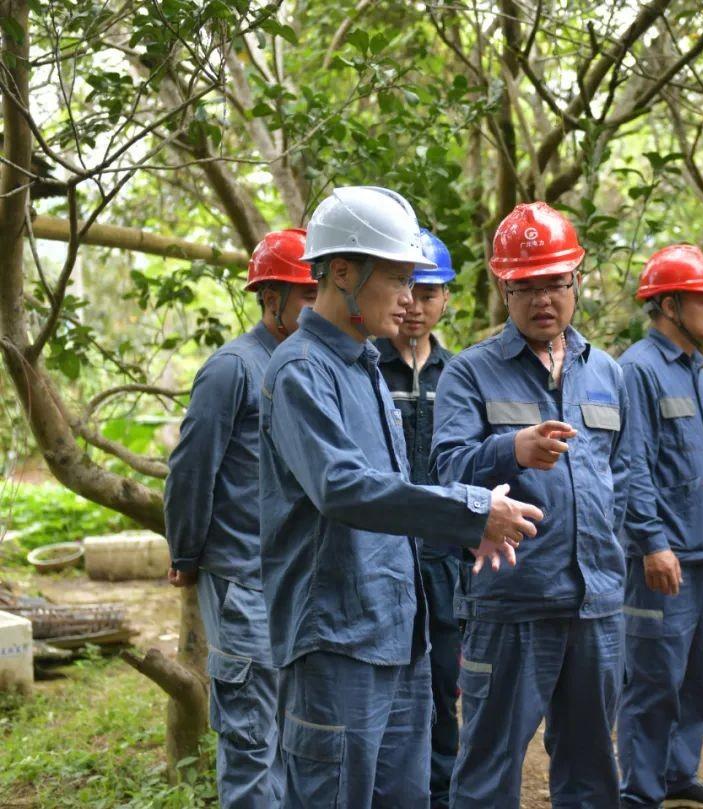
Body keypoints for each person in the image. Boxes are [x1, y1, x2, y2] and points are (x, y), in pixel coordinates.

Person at [258, 186, 543, 809]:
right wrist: (469, 512)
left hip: (398, 635)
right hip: (335, 642)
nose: (411, 298)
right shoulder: (300, 371)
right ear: (341, 271)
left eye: (417, 282)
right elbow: (343, 488)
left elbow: (395, 496)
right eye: (397, 278)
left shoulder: (363, 366)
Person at [431, 201, 630, 809]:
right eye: (526, 287)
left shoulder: (609, 375)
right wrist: (511, 449)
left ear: (576, 279)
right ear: (503, 286)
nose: (543, 299)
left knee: (593, 770)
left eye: (555, 284)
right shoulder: (469, 374)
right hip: (514, 602)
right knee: (489, 770)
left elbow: (621, 473)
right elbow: (447, 470)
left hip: (597, 603)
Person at [163, 228, 318, 808]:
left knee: (302, 735)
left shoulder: (317, 367)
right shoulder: (233, 368)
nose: (314, 307)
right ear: (269, 297)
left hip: (305, 580)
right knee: (253, 737)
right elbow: (191, 470)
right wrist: (185, 552)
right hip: (245, 581)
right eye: (304, 297)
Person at [616, 245, 703, 809]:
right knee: (653, 679)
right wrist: (651, 542)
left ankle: (676, 776)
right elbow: (632, 465)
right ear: (668, 305)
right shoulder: (638, 370)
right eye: (702, 299)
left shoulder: (694, 368)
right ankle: (640, 792)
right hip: (663, 558)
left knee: (697, 676)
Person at [373, 227, 460, 809]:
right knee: (389, 685)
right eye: (409, 290)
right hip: (383, 557)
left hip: (448, 558)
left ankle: (443, 791)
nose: (417, 307)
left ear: (446, 298)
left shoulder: (460, 373)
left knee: (445, 684)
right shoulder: (364, 366)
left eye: (430, 294)